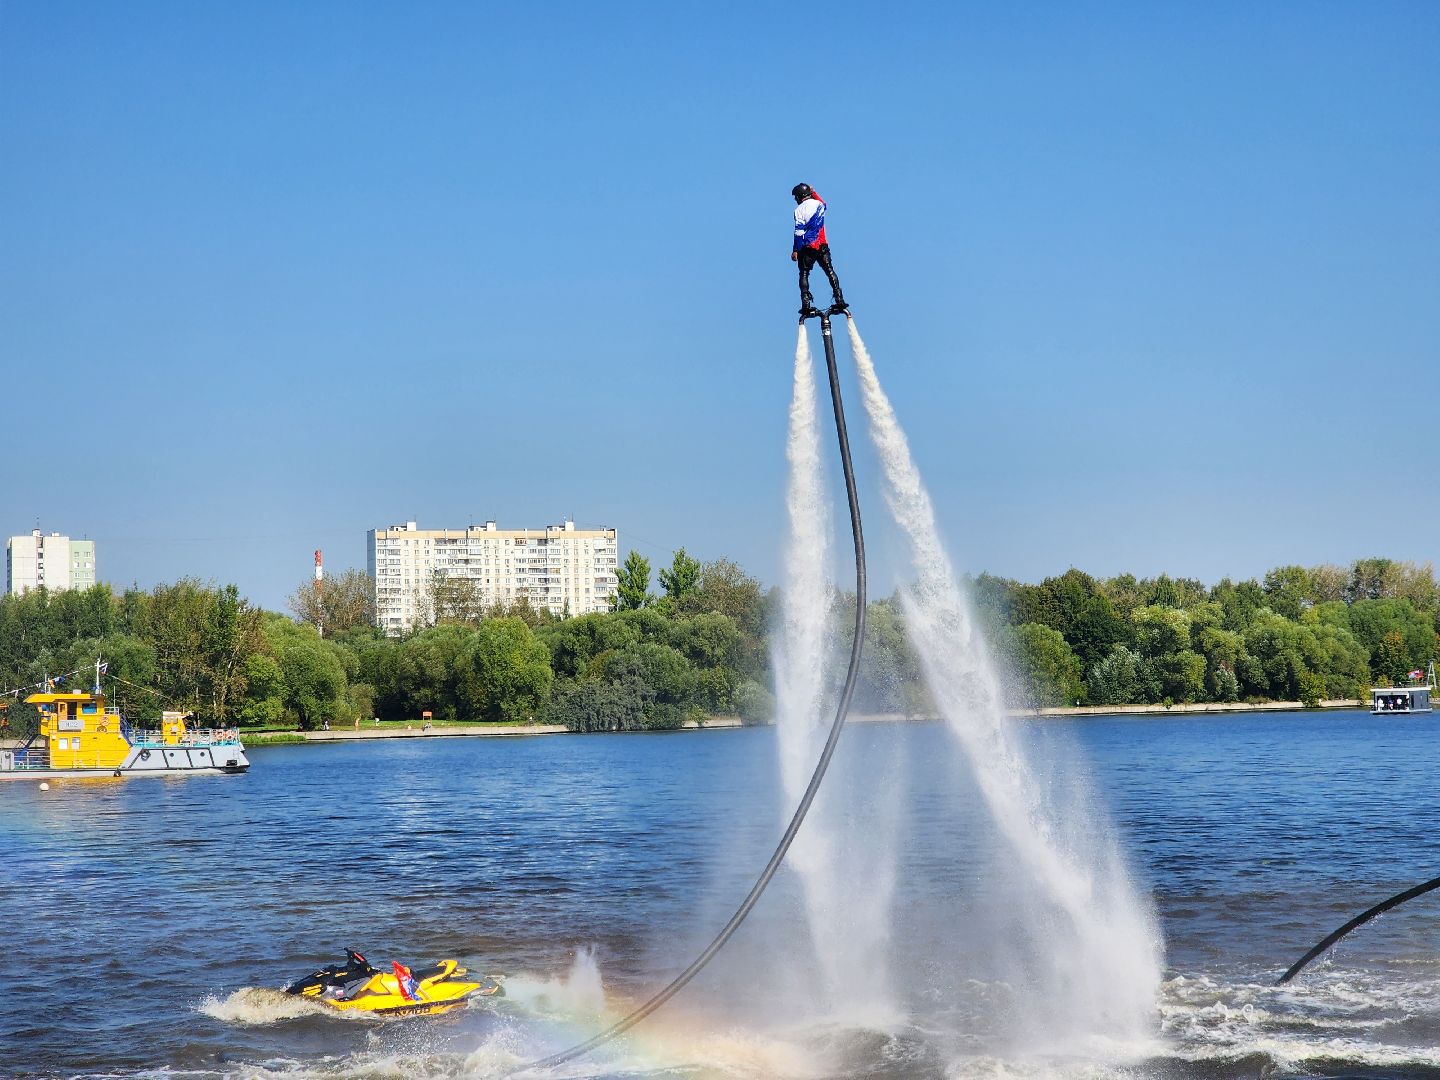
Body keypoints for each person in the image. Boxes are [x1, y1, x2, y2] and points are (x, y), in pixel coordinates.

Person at [790, 183, 847, 317]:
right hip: (822, 245)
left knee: (804, 273)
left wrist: (795, 250)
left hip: (807, 247)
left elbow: (798, 233)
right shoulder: (819, 205)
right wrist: (814, 192)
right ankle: (839, 298)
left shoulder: (798, 210)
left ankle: (805, 303)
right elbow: (824, 203)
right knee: (829, 270)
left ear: (800, 196)